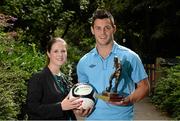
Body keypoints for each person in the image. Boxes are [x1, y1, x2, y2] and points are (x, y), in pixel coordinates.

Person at [74, 9, 150, 120]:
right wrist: (80, 109)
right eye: (98, 28)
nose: (102, 33)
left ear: (114, 29)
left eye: (107, 28)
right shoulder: (84, 62)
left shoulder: (130, 57)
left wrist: (129, 99)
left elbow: (145, 87)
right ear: (92, 30)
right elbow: (83, 92)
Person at [26, 37, 82, 120]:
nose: (60, 54)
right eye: (56, 51)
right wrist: (60, 107)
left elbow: (68, 106)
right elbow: (32, 109)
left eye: (63, 51)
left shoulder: (64, 78)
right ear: (48, 54)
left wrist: (77, 108)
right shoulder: (38, 78)